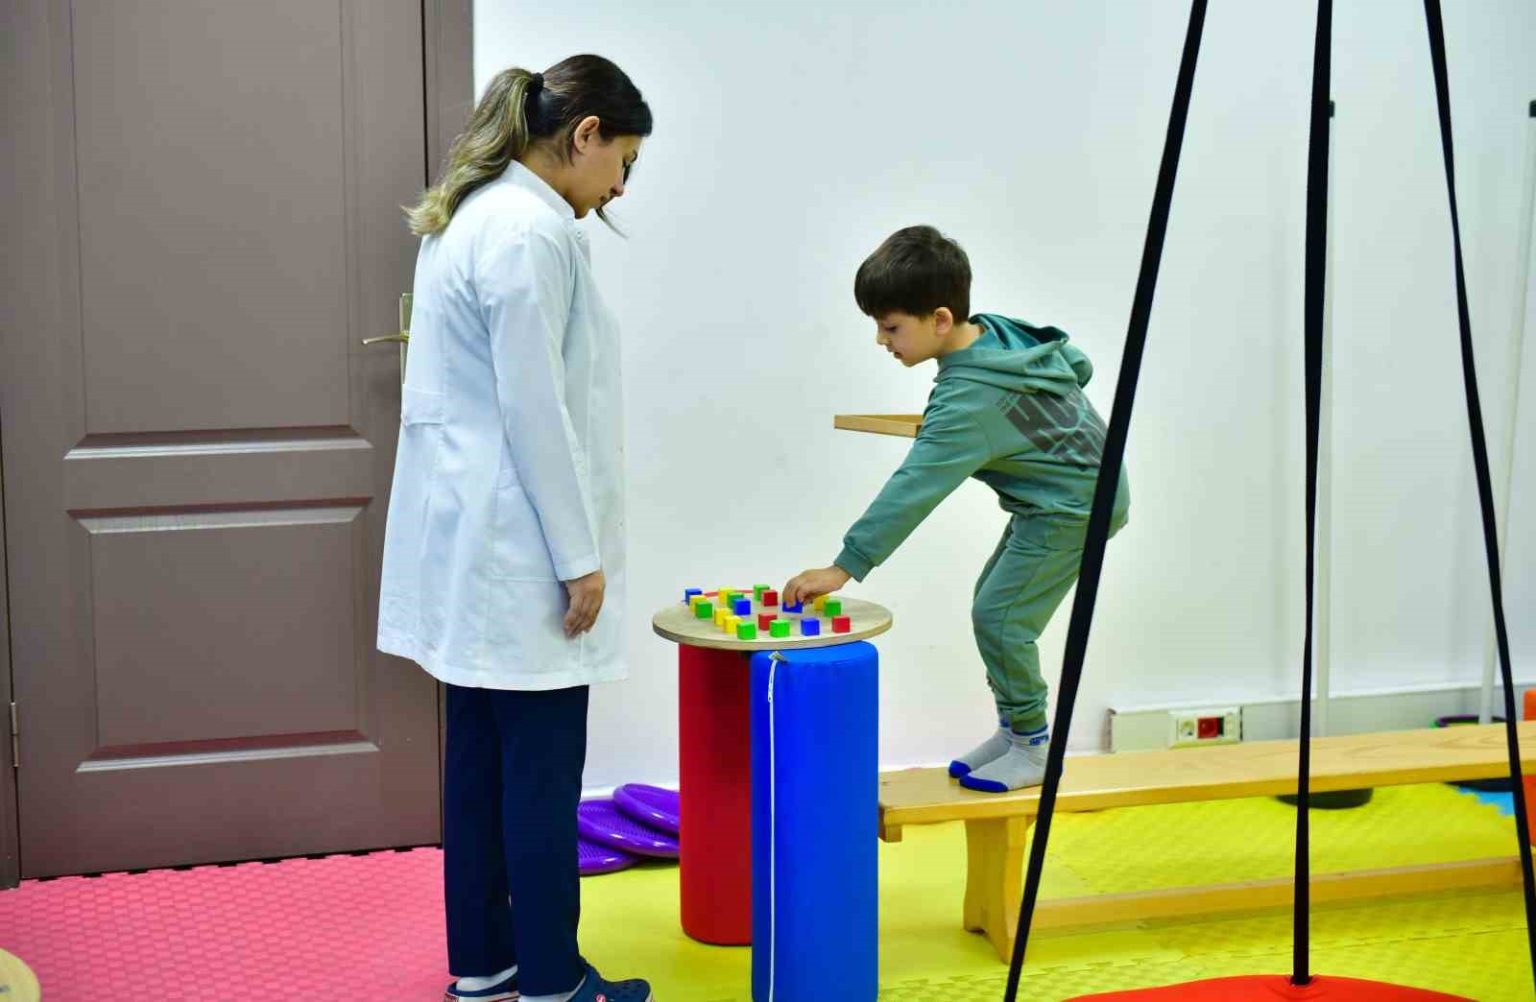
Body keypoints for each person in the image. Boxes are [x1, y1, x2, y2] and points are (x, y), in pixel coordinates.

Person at [378, 55, 655, 1002]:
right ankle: (552, 980)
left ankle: (486, 965)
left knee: (480, 768)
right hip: (521, 548)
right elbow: (536, 408)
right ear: (585, 134)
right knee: (539, 777)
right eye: (623, 161)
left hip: (473, 544)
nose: (619, 186)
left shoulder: (468, 214)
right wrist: (580, 559)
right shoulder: (530, 230)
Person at [783, 225, 1130, 794]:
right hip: (1070, 493)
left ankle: (1034, 746)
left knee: (1001, 619)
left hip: (1074, 508)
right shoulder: (1000, 333)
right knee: (991, 604)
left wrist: (844, 566)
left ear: (940, 319)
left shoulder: (966, 400)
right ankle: (1015, 732)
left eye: (891, 326)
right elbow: (1077, 362)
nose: (881, 340)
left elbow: (914, 487)